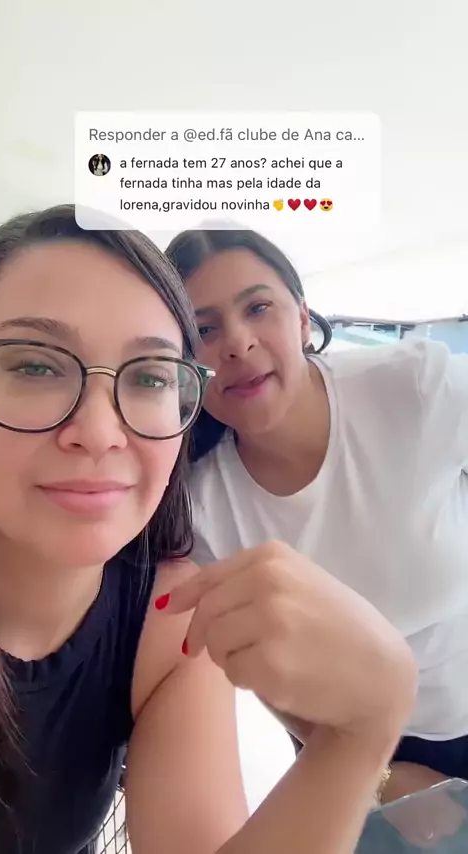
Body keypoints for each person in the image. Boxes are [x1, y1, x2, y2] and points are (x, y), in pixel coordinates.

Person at [0, 205, 416, 854]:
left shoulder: (169, 616)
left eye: (150, 376)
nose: (100, 433)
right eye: (36, 367)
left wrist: (363, 730)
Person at [166, 228, 468, 822]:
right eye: (205, 329)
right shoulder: (198, 504)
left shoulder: (413, 386)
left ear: (303, 319)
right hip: (363, 749)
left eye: (258, 308)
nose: (238, 343)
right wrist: (381, 779)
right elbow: (261, 668)